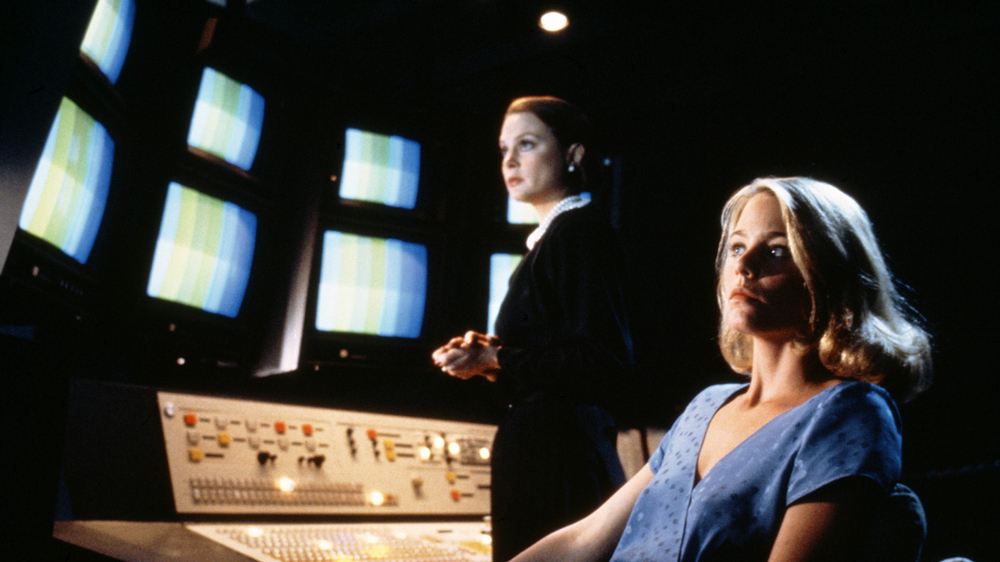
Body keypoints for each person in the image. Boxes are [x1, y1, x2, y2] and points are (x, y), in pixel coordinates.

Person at [508, 177, 933, 562]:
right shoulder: (706, 406)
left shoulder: (851, 412)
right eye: (736, 247)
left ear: (829, 273)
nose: (744, 267)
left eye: (777, 251)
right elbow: (584, 539)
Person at [432, 96, 636, 562]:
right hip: (546, 461)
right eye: (504, 149)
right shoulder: (554, 240)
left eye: (526, 144)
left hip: (558, 467)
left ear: (573, 154)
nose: (509, 161)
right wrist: (492, 360)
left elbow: (601, 360)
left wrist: (497, 358)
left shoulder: (579, 235)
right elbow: (559, 353)